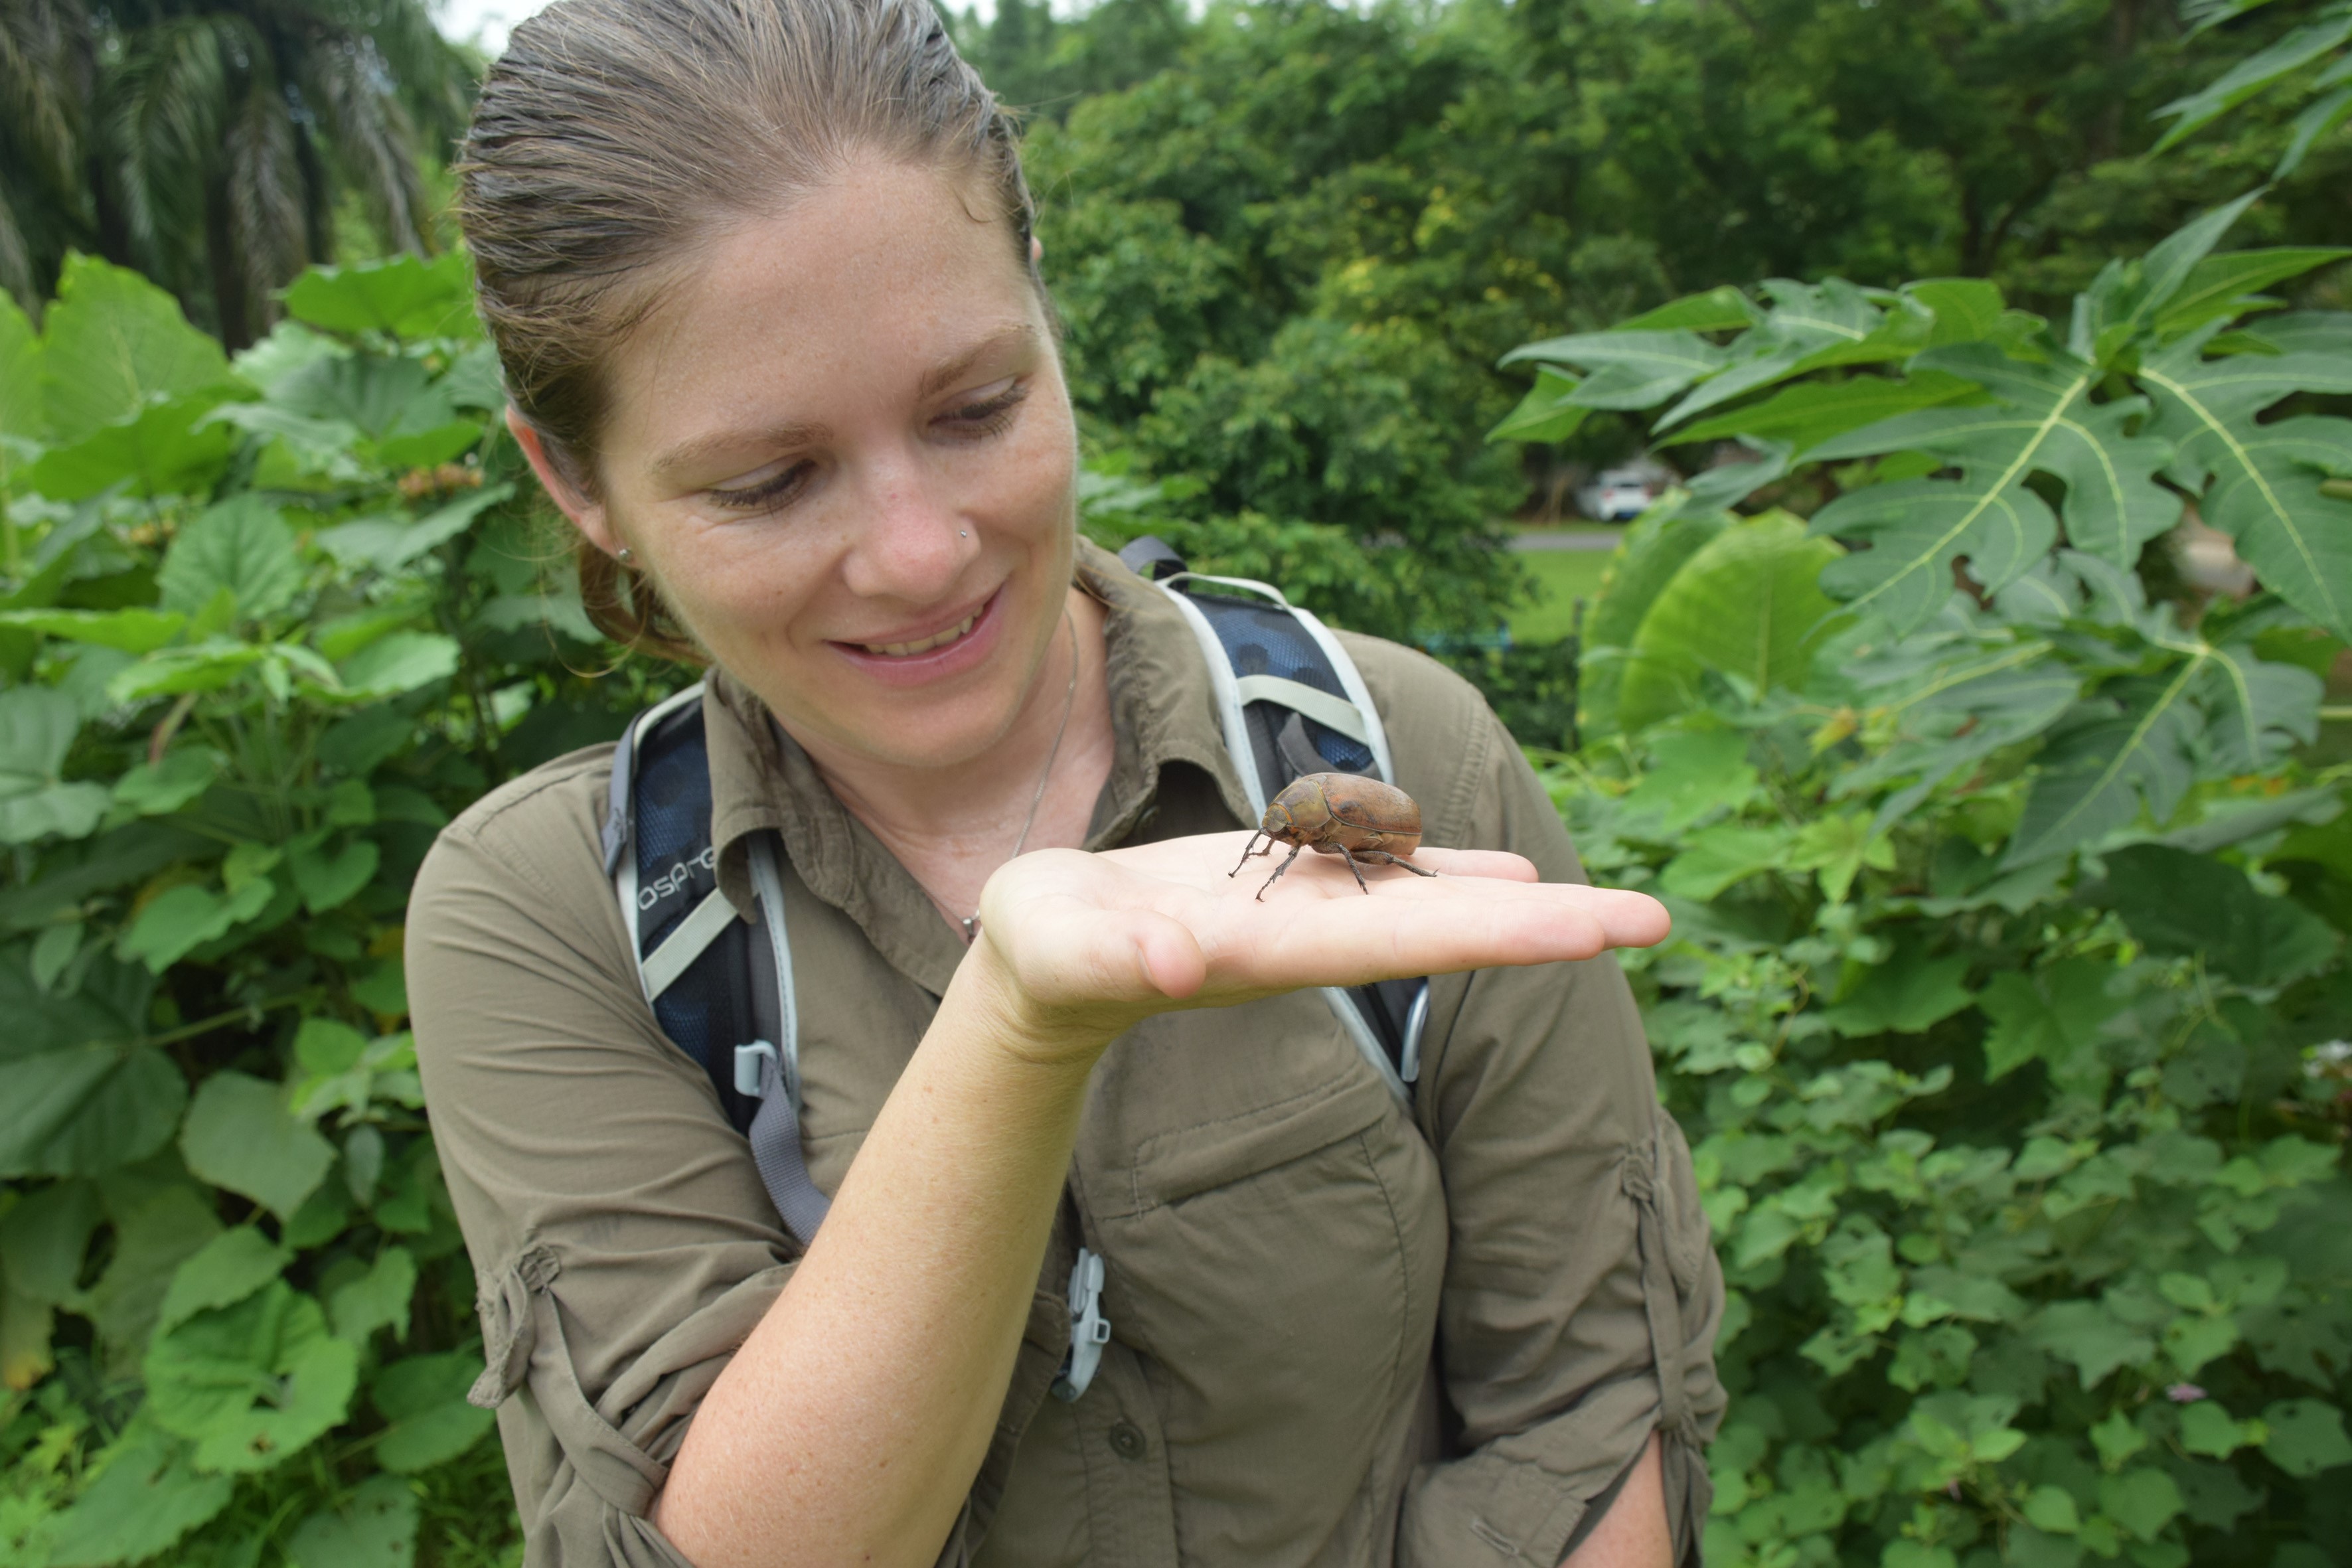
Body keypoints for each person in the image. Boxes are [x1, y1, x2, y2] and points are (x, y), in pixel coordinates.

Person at [406, 1, 1727, 1565]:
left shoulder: (1383, 741)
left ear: (1049, 323)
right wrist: (1019, 1029)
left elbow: (1588, 1422)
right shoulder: (554, 911)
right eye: (767, 481)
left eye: (976, 408)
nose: (917, 553)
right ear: (577, 484)